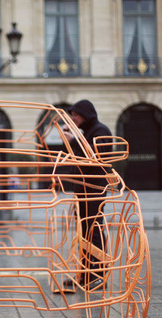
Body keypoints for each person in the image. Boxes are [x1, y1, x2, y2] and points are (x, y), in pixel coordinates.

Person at [61, 99, 113, 289]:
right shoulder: (88, 133)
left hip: (94, 189)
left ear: (85, 115)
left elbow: (94, 157)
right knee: (84, 231)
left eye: (76, 115)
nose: (73, 118)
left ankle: (98, 276)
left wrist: (73, 139)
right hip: (82, 189)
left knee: (94, 229)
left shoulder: (101, 131)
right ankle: (85, 275)